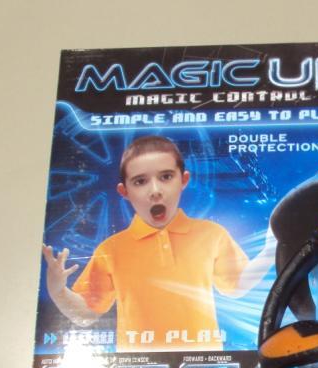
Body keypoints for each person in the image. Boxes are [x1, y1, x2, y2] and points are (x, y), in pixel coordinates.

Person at [42, 135, 275, 350]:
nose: (155, 191)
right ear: (124, 191)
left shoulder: (212, 234)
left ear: (183, 180)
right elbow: (86, 314)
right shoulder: (111, 249)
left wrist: (269, 251)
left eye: (166, 177)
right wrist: (58, 291)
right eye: (140, 181)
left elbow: (237, 287)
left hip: (204, 365)